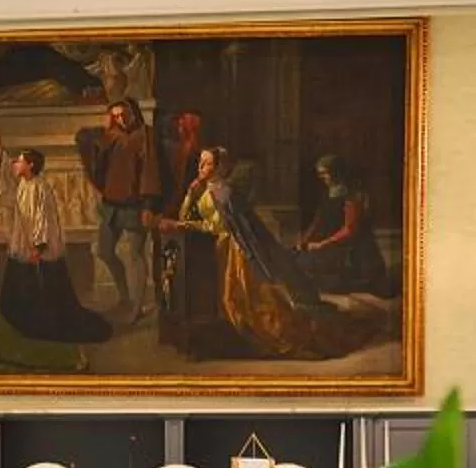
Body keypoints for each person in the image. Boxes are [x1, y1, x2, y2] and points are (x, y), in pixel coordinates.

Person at [161, 148, 385, 360]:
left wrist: (186, 226)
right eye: (200, 162)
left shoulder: (225, 193)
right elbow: (185, 217)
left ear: (219, 167)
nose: (201, 166)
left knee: (245, 306)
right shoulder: (204, 192)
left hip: (233, 252)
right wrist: (190, 195)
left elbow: (215, 227)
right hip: (219, 250)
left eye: (207, 163)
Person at [0, 149, 111, 350]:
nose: (15, 164)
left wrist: (39, 247)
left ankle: (41, 326)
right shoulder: (23, 184)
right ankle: (23, 322)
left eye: (19, 161)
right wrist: (0, 158)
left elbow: (44, 219)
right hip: (24, 243)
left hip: (40, 248)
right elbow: (6, 192)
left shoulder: (41, 187)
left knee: (45, 292)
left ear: (30, 165)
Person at [76, 101, 158, 322]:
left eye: (123, 115)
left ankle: (137, 306)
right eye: (115, 116)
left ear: (132, 113)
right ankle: (125, 298)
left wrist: (148, 206)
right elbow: (92, 152)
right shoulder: (111, 135)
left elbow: (149, 170)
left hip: (136, 204)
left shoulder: (144, 135)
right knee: (104, 251)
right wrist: (106, 128)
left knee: (135, 255)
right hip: (112, 205)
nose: (120, 120)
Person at [298, 153, 395, 296]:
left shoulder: (352, 195)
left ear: (335, 172)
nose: (321, 177)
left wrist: (321, 244)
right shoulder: (327, 194)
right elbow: (317, 221)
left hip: (352, 251)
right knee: (296, 259)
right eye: (320, 174)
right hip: (331, 245)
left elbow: (349, 230)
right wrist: (304, 240)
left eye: (324, 173)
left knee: (323, 276)